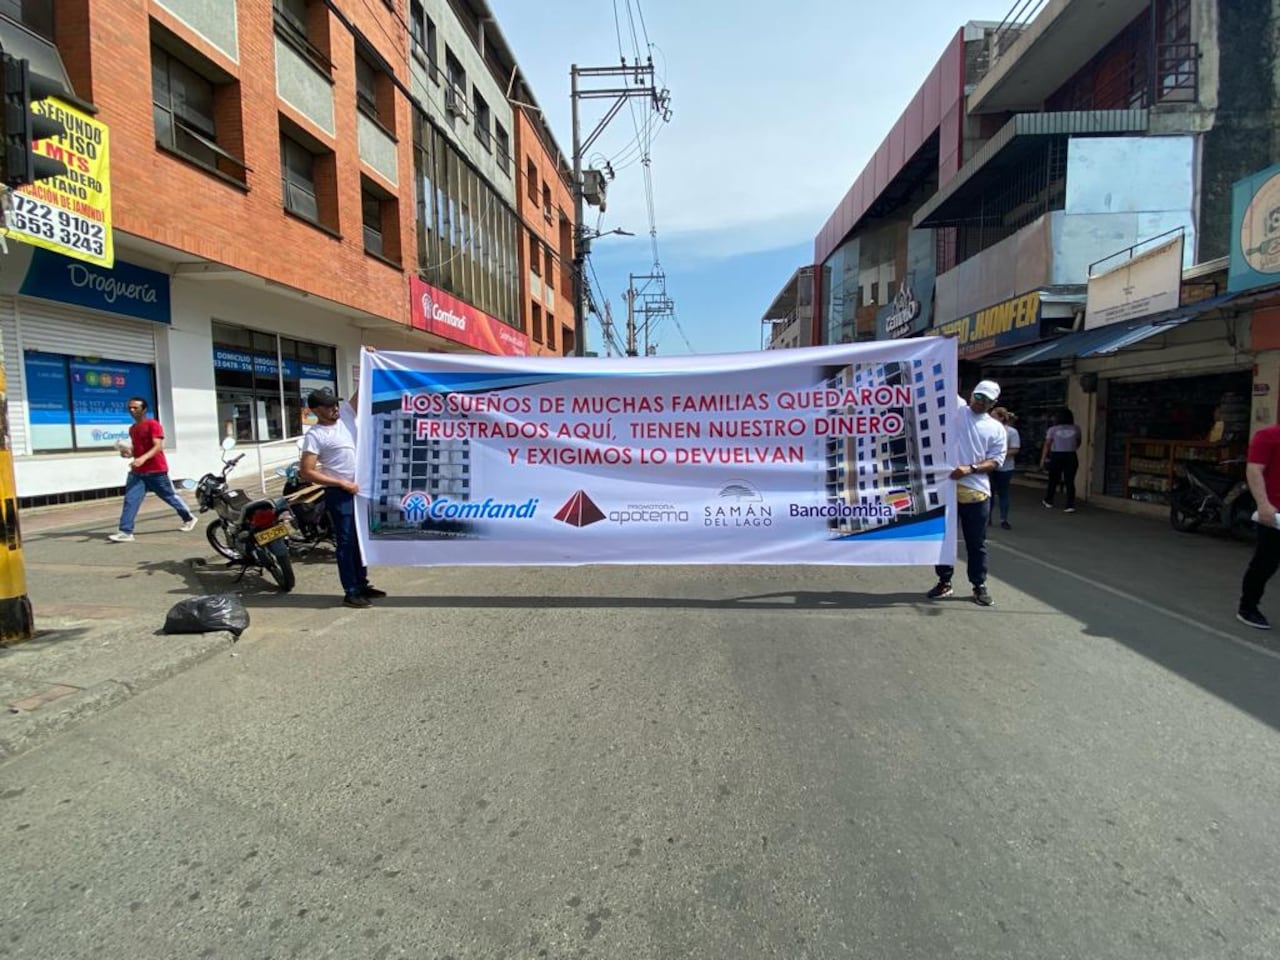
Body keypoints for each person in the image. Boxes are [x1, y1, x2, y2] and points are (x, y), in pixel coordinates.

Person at [299, 386, 386, 609]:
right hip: (340, 493)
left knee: (360, 540)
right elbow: (307, 471)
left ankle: (362, 583)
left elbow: (363, 391)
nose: (334, 408)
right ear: (316, 410)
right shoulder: (315, 435)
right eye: (328, 406)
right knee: (346, 542)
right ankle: (351, 591)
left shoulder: (346, 415)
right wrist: (340, 482)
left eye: (335, 404)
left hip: (360, 489)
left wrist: (367, 358)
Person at [927, 379, 1008, 607]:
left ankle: (978, 585)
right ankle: (944, 582)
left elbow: (996, 460)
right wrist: (946, 342)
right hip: (947, 490)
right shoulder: (957, 410)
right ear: (971, 394)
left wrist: (970, 469)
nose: (979, 402)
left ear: (993, 403)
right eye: (977, 396)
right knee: (944, 540)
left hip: (976, 492)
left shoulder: (996, 428)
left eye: (985, 400)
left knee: (976, 542)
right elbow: (944, 376)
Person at [108, 397, 197, 543]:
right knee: (131, 500)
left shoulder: (153, 424)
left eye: (135, 408)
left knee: (169, 496)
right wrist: (128, 453)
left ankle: (189, 517)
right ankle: (125, 532)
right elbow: (137, 450)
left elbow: (158, 447)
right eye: (130, 407)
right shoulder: (133, 429)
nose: (132, 410)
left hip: (156, 470)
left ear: (144, 410)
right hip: (138, 473)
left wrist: (142, 458)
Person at [1237, 423, 1280, 629]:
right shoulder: (1268, 436)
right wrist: (1263, 504)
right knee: (1265, 563)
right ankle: (1247, 608)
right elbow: (1254, 469)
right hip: (1274, 515)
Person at [1040, 407, 1082, 512]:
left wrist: (1043, 458)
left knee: (1053, 479)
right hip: (1071, 455)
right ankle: (1070, 504)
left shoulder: (1052, 430)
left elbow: (1047, 445)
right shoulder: (1076, 428)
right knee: (1070, 481)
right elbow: (1078, 442)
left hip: (1056, 455)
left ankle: (1049, 500)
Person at [989, 407, 1020, 530]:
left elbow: (1015, 449)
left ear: (1001, 418)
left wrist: (999, 455)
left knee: (1003, 493)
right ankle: (988, 518)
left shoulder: (1011, 432)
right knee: (989, 493)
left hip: (1005, 467)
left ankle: (1004, 519)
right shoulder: (988, 430)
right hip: (990, 467)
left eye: (994, 416)